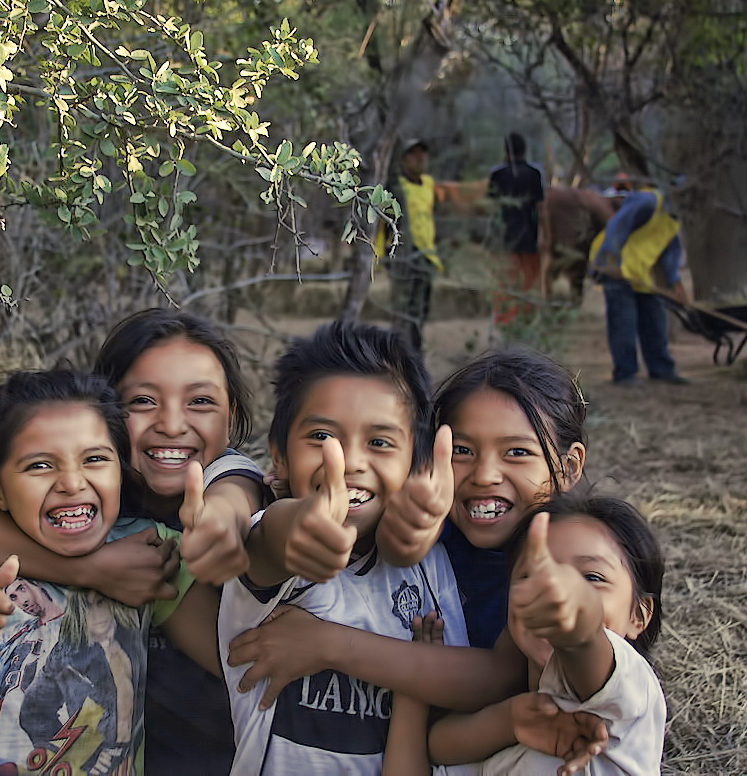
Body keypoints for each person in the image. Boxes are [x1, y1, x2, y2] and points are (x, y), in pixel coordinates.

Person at [0, 309, 267, 774]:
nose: (172, 424)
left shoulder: (198, 508)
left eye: (200, 401)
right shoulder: (3, 543)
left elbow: (236, 657)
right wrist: (88, 570)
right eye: (143, 401)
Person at [224, 349, 602, 773]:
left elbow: (503, 676)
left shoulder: (570, 565)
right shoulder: (435, 538)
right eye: (461, 450)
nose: (485, 475)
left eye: (516, 452)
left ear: (569, 467)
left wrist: (327, 644)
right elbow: (392, 534)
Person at [218, 320, 470, 773]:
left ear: (416, 459)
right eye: (322, 437)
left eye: (379, 442)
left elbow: (473, 682)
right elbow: (274, 539)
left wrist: (334, 645)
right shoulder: (274, 554)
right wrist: (303, 525)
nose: (350, 461)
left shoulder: (430, 566)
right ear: (278, 455)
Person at [383, 492, 666, 775]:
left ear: (638, 615)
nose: (553, 590)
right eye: (532, 575)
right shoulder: (507, 725)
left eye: (592, 578)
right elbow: (433, 749)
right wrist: (413, 695)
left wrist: (578, 613)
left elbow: (584, 640)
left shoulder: (629, 694)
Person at [589, 178, 691, 385]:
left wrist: (675, 282)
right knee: (624, 320)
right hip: (613, 265)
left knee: (654, 319)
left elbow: (669, 252)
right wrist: (612, 259)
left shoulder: (674, 218)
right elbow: (617, 227)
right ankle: (625, 372)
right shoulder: (648, 201)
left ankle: (661, 368)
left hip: (638, 271)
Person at [383, 139, 445, 352]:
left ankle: (415, 353)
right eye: (414, 154)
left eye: (423, 154)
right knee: (403, 310)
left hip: (427, 255)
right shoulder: (396, 187)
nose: (420, 159)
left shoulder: (429, 184)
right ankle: (401, 354)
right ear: (404, 159)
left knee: (421, 310)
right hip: (404, 255)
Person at [488, 133, 549, 327]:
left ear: (506, 152)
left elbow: (492, 208)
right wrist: (546, 235)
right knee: (527, 285)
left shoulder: (497, 174)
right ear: (525, 150)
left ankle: (504, 324)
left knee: (504, 286)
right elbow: (541, 209)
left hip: (503, 240)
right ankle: (525, 324)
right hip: (529, 238)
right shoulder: (534, 173)